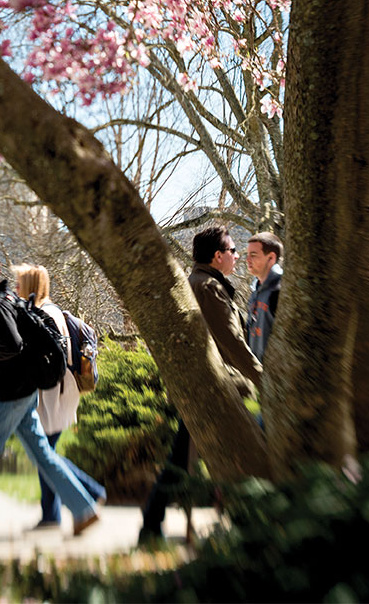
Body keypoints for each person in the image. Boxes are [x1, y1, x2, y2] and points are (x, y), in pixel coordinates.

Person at [0, 250, 100, 543]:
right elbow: (17, 343)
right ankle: (84, 509)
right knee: (43, 455)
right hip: (26, 391)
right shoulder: (12, 299)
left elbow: (12, 346)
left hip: (9, 394)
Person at [139, 225, 261, 544]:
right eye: (233, 251)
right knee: (229, 456)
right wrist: (262, 377)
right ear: (217, 256)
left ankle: (152, 524)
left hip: (206, 386)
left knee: (182, 459)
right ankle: (248, 524)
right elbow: (231, 341)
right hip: (216, 388)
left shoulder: (203, 283)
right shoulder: (208, 287)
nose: (236, 257)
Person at [13, 263, 108, 530]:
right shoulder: (47, 311)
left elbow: (48, 359)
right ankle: (61, 508)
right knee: (46, 452)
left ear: (30, 286)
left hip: (53, 393)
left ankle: (82, 497)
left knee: (45, 453)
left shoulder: (44, 314)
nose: (16, 288)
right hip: (56, 391)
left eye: (20, 283)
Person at [245, 232, 283, 362]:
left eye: (253, 255)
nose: (247, 260)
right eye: (247, 255)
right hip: (259, 374)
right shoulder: (255, 290)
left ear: (271, 258)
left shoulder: (281, 289)